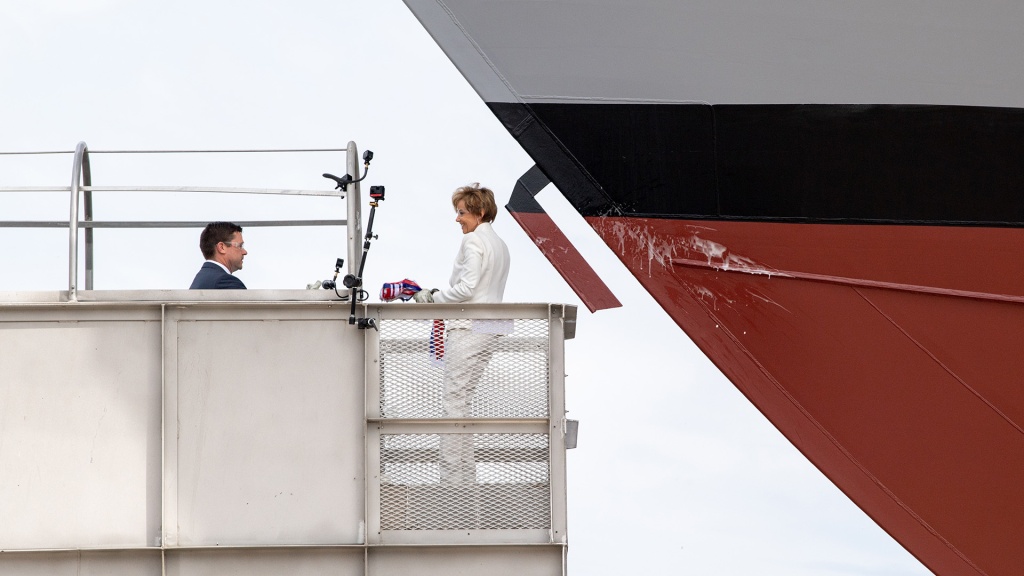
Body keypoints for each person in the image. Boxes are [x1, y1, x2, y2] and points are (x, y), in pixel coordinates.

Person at [414, 184, 510, 485]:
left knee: (453, 402)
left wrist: (434, 297)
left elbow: (468, 288)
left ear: (479, 212)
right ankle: (466, 475)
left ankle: (453, 479)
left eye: (462, 212)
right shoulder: (501, 245)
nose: (457, 219)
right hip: (492, 327)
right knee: (464, 401)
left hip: (468, 326)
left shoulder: (472, 242)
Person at [189, 222, 248, 289]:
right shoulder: (225, 282)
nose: (245, 252)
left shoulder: (201, 278)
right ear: (221, 247)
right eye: (240, 246)